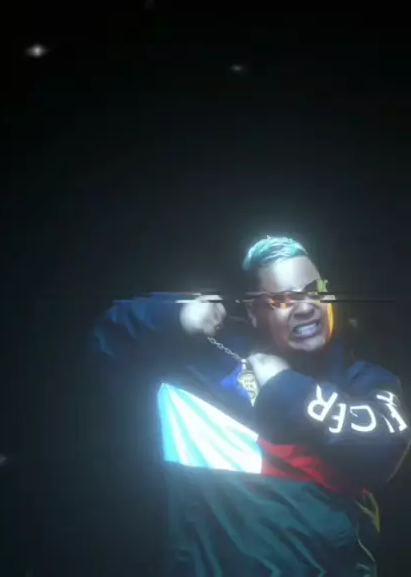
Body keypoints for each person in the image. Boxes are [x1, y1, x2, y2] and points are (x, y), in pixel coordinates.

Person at [93, 236, 410, 575]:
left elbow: (384, 451)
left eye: (314, 290)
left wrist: (283, 385)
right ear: (252, 312)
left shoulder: (367, 381)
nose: (306, 307)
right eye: (282, 300)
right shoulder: (205, 362)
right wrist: (175, 314)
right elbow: (107, 340)